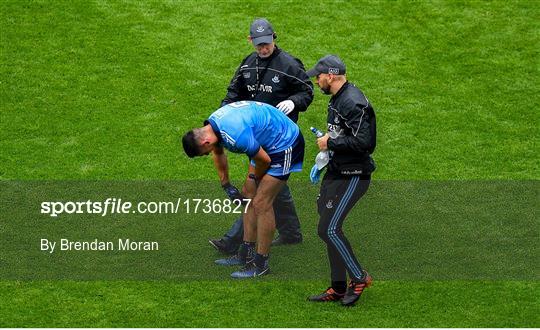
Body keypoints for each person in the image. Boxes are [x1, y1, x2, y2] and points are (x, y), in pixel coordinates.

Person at [209, 18, 313, 254]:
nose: (263, 48)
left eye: (267, 43)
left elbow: (306, 90)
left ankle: (232, 241)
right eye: (259, 45)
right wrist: (221, 115)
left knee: (259, 191)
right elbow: (233, 93)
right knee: (276, 186)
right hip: (255, 137)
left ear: (274, 37)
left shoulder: (289, 65)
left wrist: (293, 102)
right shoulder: (247, 65)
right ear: (250, 41)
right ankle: (291, 233)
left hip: (279, 141)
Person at [182, 101, 304, 278]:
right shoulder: (212, 125)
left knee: (262, 203)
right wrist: (226, 184)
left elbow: (264, 160)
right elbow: (218, 152)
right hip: (265, 141)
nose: (207, 154)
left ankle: (261, 264)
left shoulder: (234, 134)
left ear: (205, 142)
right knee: (248, 198)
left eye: (204, 153)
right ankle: (245, 253)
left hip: (285, 144)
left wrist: (253, 179)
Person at [305, 55, 376, 306]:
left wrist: (330, 142)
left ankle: (359, 278)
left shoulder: (353, 102)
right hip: (337, 171)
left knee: (330, 229)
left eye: (319, 76)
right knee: (326, 228)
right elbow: (345, 134)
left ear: (331, 76)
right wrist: (327, 147)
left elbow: (365, 143)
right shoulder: (338, 99)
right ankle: (337, 287)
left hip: (354, 176)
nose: (316, 80)